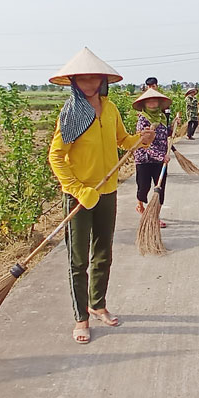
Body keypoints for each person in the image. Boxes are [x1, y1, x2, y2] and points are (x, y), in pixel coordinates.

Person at [48, 47, 156, 345]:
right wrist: (77, 189)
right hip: (80, 196)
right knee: (78, 259)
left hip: (107, 192)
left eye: (94, 78)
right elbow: (56, 157)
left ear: (102, 80)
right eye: (83, 79)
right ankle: (80, 317)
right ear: (74, 82)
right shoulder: (71, 114)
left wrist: (141, 140)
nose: (90, 83)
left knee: (103, 254)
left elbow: (123, 140)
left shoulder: (110, 109)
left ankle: (98, 305)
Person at [132, 87, 172, 227]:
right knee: (143, 187)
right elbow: (144, 144)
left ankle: (155, 216)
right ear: (144, 104)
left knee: (159, 188)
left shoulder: (162, 118)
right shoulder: (143, 120)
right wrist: (161, 156)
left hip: (160, 160)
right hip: (144, 159)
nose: (152, 104)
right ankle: (140, 205)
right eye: (149, 102)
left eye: (155, 101)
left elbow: (164, 136)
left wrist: (172, 127)